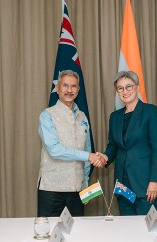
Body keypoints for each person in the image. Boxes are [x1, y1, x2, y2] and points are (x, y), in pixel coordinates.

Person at [37, 70, 106, 217]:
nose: (69, 90)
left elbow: (87, 149)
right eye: (65, 85)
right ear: (57, 88)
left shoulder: (83, 116)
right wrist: (89, 156)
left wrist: (85, 183)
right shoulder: (47, 115)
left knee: (77, 235)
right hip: (52, 190)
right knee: (50, 236)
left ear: (78, 89)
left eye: (73, 86)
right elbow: (54, 150)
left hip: (77, 191)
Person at [100, 71, 157, 215]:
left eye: (129, 87)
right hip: (123, 187)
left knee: (149, 232)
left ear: (137, 87)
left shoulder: (150, 111)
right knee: (127, 231)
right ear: (117, 92)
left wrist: (155, 180)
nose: (125, 91)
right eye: (120, 88)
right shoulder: (115, 117)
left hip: (146, 185)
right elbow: (113, 146)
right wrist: (105, 157)